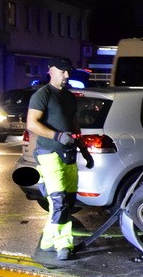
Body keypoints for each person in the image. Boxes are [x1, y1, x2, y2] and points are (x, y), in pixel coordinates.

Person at [26, 57, 93, 260]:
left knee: (68, 201)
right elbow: (32, 123)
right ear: (51, 70)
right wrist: (56, 136)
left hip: (68, 154)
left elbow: (73, 125)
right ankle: (63, 244)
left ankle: (48, 240)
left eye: (68, 71)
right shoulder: (43, 94)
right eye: (63, 71)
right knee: (59, 201)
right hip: (49, 154)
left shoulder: (69, 97)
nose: (67, 75)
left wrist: (84, 149)